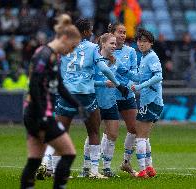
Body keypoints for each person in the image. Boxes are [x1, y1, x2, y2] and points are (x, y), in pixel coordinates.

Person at [55, 18, 129, 178]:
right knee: (94, 131)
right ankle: (94, 171)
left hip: (66, 92)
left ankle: (55, 170)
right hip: (85, 93)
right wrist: (119, 85)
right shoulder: (92, 47)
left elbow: (60, 69)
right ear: (86, 32)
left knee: (60, 132)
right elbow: (104, 68)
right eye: (90, 30)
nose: (92, 32)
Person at [20, 14, 83, 189]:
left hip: (34, 114)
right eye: (72, 46)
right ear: (64, 38)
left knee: (34, 161)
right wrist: (43, 115)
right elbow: (34, 85)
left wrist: (77, 105)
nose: (71, 51)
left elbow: (60, 86)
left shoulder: (53, 56)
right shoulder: (44, 54)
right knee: (69, 153)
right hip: (39, 114)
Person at [131, 28, 164, 178]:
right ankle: (149, 168)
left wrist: (140, 87)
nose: (141, 44)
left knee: (140, 135)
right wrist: (124, 75)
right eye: (139, 41)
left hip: (151, 100)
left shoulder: (152, 57)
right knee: (144, 135)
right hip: (148, 100)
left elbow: (158, 76)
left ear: (150, 43)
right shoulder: (144, 57)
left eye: (144, 41)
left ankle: (142, 170)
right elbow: (139, 77)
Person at [107, 22, 138, 176]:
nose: (123, 35)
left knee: (134, 129)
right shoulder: (105, 51)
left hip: (127, 95)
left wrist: (130, 86)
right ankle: (103, 165)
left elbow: (134, 72)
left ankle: (126, 162)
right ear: (112, 33)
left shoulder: (131, 51)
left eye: (125, 32)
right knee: (109, 132)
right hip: (110, 95)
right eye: (120, 32)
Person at [94, 33, 120, 177]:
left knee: (113, 134)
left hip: (110, 103)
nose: (114, 46)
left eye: (115, 44)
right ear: (103, 44)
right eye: (111, 43)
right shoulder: (95, 60)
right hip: (96, 103)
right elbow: (88, 82)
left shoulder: (115, 61)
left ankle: (107, 168)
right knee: (93, 135)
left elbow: (124, 75)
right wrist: (103, 83)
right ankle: (89, 168)